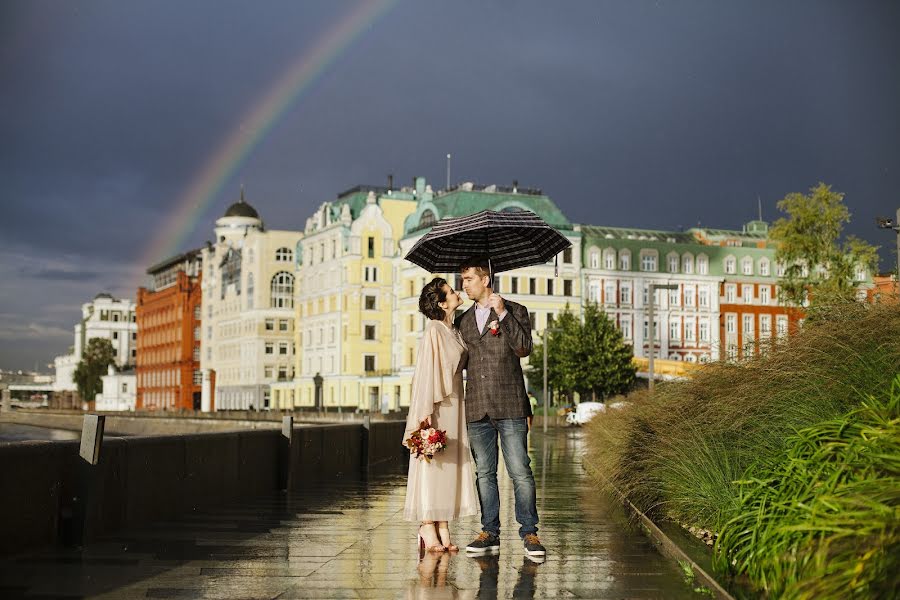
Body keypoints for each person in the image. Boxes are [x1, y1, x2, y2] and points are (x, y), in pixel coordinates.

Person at [455, 256, 546, 558]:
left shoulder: (516, 310)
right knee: (484, 473)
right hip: (477, 407)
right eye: (462, 279)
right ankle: (489, 532)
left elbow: (523, 348)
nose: (463, 284)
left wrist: (502, 313)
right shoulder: (463, 321)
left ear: (485, 279)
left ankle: (530, 533)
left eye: (468, 279)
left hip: (510, 405)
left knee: (520, 471)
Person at [403, 277, 479, 553]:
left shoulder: (454, 330)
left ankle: (443, 524)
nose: (457, 291)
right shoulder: (434, 330)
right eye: (451, 290)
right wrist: (425, 415)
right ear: (442, 302)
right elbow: (425, 374)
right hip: (437, 405)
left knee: (448, 465)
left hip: (455, 403)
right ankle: (426, 524)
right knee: (432, 464)